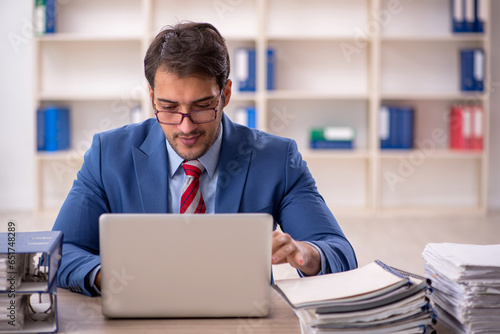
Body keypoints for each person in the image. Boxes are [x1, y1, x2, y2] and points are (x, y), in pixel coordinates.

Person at [52, 22, 357, 296]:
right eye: (168, 107)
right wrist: (114, 278)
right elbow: (60, 251)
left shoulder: (277, 158)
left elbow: (340, 253)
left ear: (225, 94)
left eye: (201, 107)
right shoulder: (109, 154)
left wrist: (305, 253)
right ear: (151, 96)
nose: (185, 127)